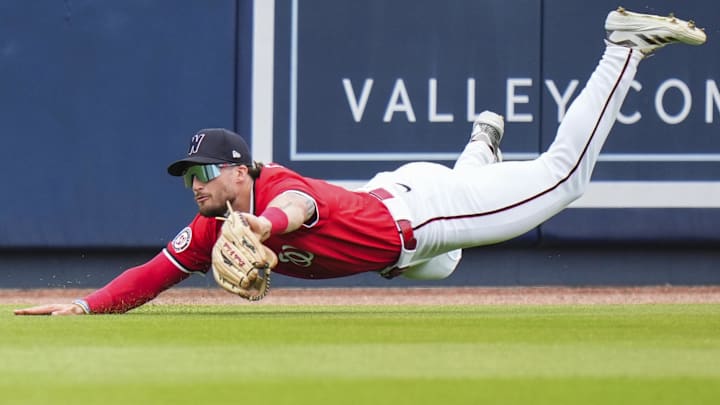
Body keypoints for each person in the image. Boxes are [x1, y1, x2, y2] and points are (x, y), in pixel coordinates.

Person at [15, 7, 706, 315]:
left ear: (239, 169)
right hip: (400, 228)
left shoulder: (273, 191)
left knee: (565, 179)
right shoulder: (210, 228)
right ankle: (479, 149)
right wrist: (85, 303)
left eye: (204, 172)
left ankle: (624, 46)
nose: (195, 185)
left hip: (424, 214)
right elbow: (150, 273)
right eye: (186, 176)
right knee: (444, 267)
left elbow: (300, 208)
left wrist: (263, 228)